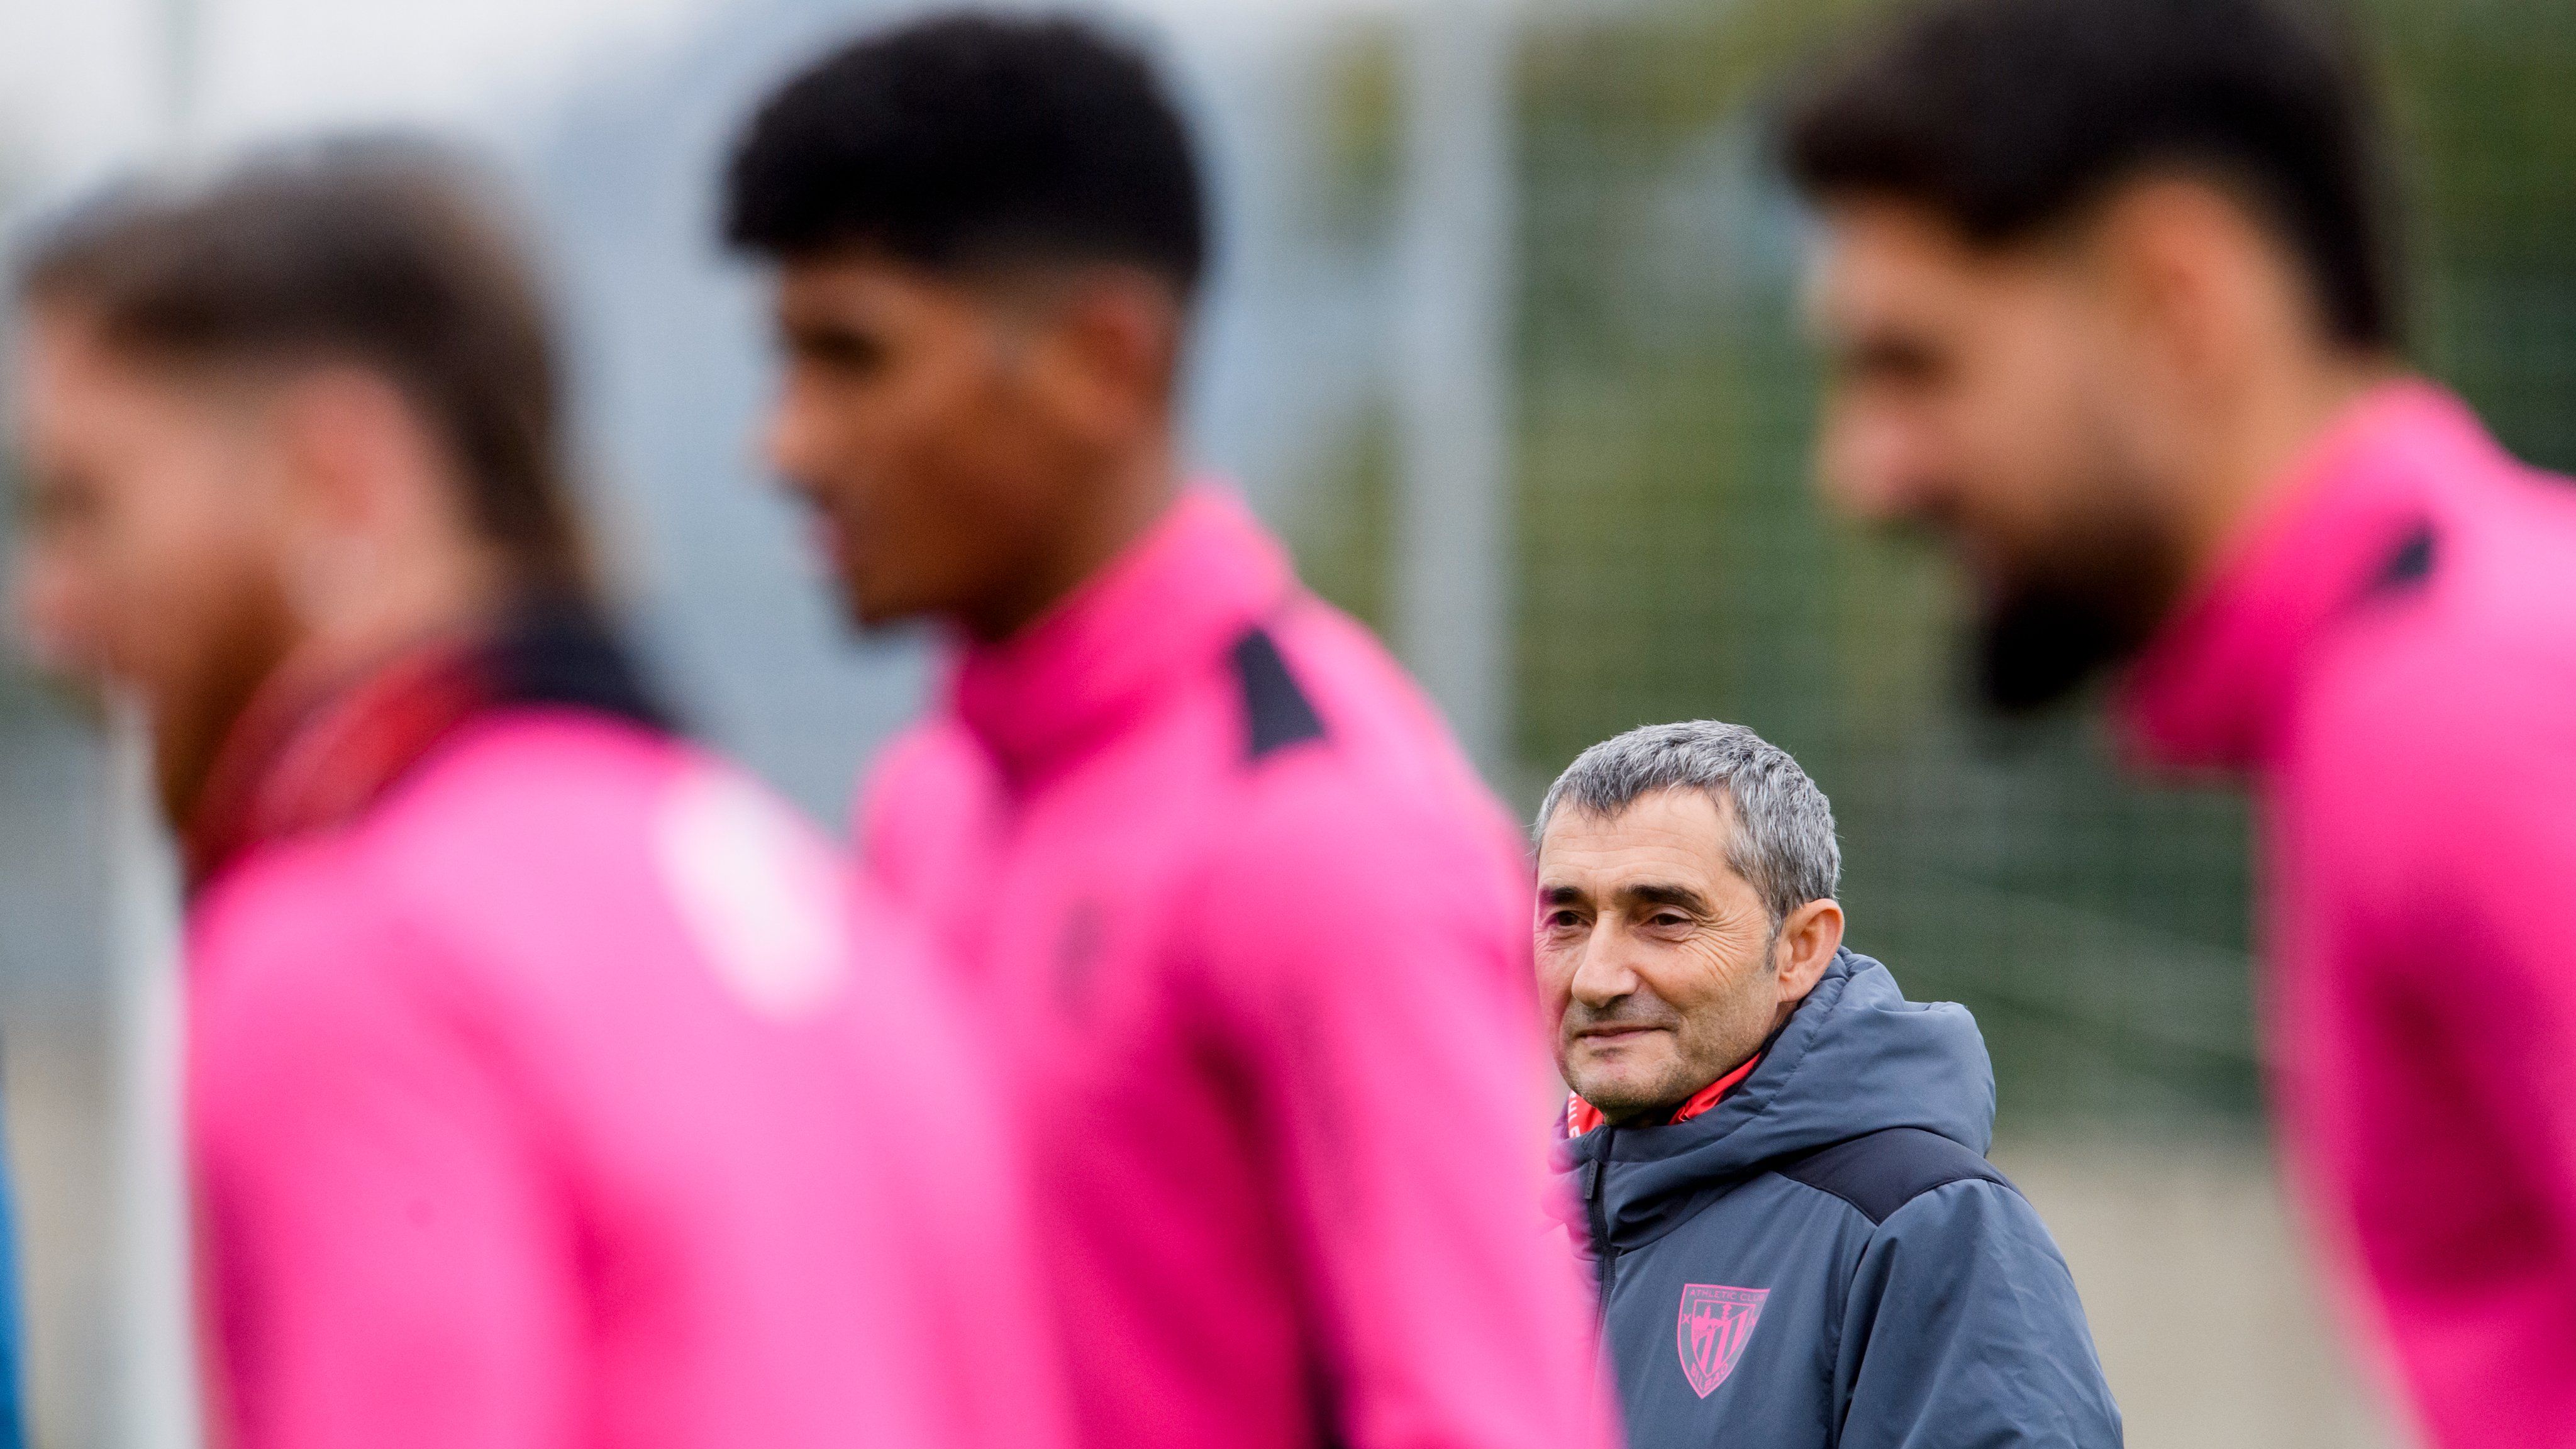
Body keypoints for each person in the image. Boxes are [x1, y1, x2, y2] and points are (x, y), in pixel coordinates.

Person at [9, 144, 1062, 1449]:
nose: (47, 609)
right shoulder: (821, 915)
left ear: (334, 477)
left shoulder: (349, 959)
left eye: (87, 506)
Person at [723, 14, 1611, 1449]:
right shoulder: (932, 800)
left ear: (1102, 362)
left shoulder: (1326, 839)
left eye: (852, 358)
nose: (789, 445)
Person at [1782, 1, 2576, 1444]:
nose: (1866, 474)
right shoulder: (2429, 674)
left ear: (2177, 299)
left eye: (1918, 365)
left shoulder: (2452, 712)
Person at [1540, 721, 2119, 1448]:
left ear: (1799, 949)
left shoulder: (1923, 1227)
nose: (1597, 977)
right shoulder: (1498, 1229)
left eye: (1663, 919)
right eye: (1566, 918)